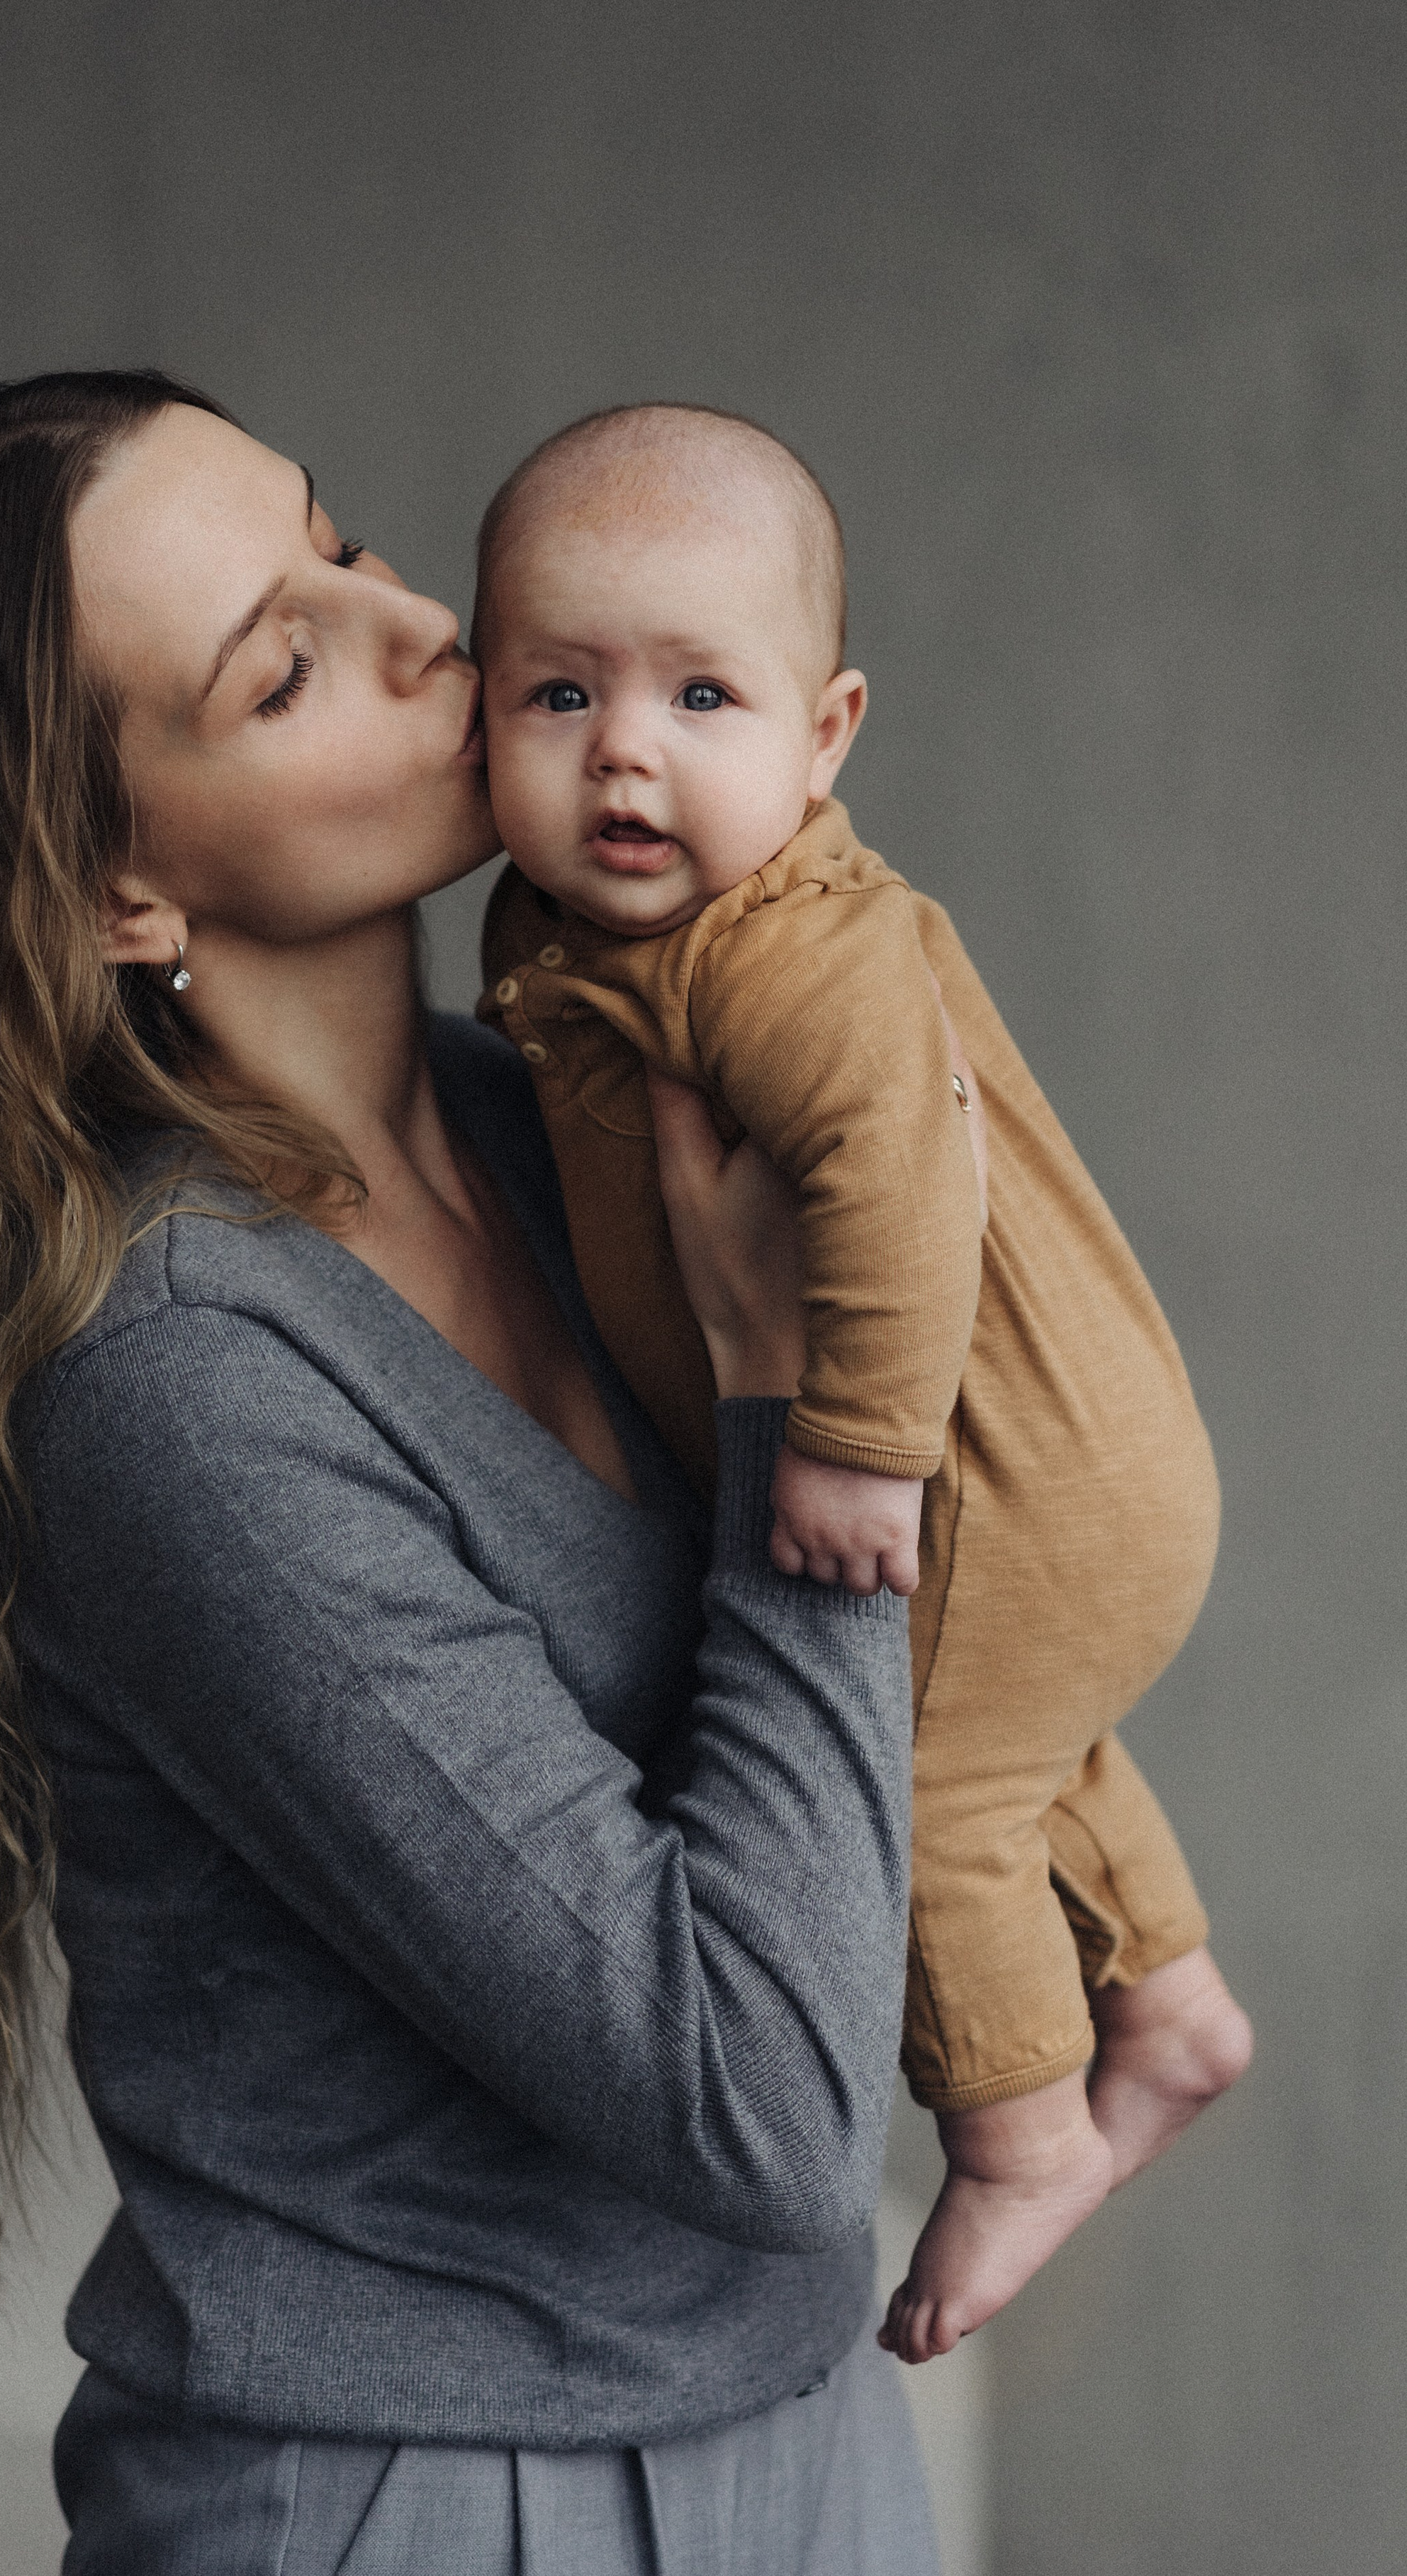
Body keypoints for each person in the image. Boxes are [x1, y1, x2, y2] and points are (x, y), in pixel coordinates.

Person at [0, 371, 941, 2572]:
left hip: (800, 2434)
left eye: (342, 543)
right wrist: (792, 1409)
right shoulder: (176, 1376)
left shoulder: (545, 1121)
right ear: (111, 892)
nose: (416, 632)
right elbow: (755, 2100)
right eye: (280, 670)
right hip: (424, 2503)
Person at [473, 401, 1254, 2364]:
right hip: (1066, 1497)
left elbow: (899, 1181)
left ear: (824, 739)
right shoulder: (585, 928)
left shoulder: (784, 952)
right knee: (1019, 1739)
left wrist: (851, 1450)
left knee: (912, 1782)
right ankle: (1168, 2001)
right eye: (559, 693)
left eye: (703, 696)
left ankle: (1019, 2132)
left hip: (998, 1467)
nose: (626, 751)